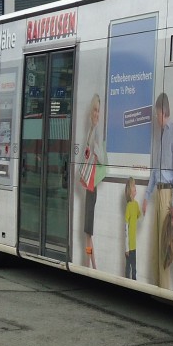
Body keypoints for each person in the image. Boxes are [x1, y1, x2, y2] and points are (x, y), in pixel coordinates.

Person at [143, 92, 173, 289]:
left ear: (163, 112)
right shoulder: (159, 135)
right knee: (156, 245)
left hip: (167, 194)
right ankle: (158, 287)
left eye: (157, 114)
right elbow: (155, 170)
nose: (156, 118)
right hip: (158, 192)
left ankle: (165, 289)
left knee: (166, 246)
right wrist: (147, 196)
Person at [79, 93, 102, 268]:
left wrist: (95, 149)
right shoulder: (91, 130)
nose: (96, 114)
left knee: (88, 231)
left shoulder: (96, 132)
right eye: (94, 110)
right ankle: (91, 265)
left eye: (98, 111)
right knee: (88, 232)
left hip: (92, 186)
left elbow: (100, 158)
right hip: (89, 186)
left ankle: (90, 265)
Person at [122, 177, 141, 280]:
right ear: (130, 191)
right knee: (128, 268)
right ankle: (126, 283)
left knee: (134, 268)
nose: (135, 187)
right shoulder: (129, 206)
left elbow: (139, 216)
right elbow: (126, 228)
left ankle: (134, 283)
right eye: (134, 186)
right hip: (129, 246)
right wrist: (126, 248)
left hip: (134, 245)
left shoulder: (136, 204)